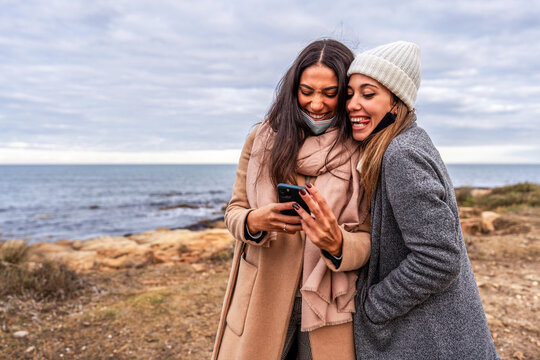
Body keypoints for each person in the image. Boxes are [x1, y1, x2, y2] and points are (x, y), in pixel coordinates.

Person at [337, 41, 500, 359]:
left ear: (396, 103)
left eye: (368, 94)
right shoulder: (406, 142)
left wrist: (375, 305)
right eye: (350, 94)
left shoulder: (401, 154)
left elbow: (440, 257)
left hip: (430, 340)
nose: (353, 104)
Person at [212, 39, 371, 360]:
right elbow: (234, 211)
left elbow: (368, 239)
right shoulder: (261, 139)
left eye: (330, 93)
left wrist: (338, 243)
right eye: (306, 91)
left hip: (328, 306)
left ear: (345, 94)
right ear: (292, 88)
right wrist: (254, 221)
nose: (316, 104)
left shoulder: (363, 148)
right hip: (261, 299)